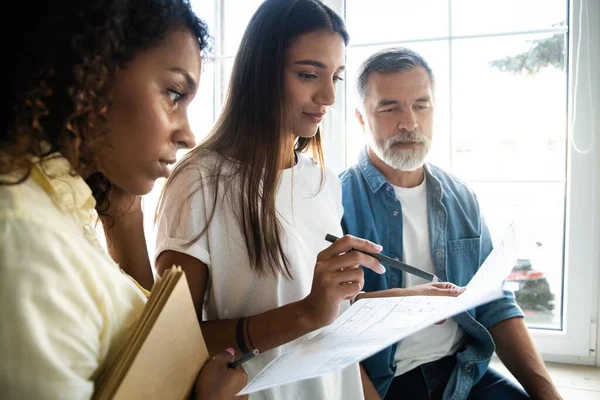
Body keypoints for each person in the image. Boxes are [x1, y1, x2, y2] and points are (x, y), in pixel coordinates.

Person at [0, 1, 247, 399]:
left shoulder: (63, 211)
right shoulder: (26, 234)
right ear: (90, 70)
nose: (188, 135)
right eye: (173, 93)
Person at [154, 0, 386, 399]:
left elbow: (328, 326)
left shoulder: (324, 181)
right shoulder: (200, 181)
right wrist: (305, 314)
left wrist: (391, 305)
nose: (329, 96)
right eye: (309, 74)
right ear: (261, 72)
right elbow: (172, 344)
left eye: (337, 77)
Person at [339, 47, 563, 400]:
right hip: (383, 383)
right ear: (360, 118)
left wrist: (549, 395)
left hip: (462, 372)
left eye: (421, 105)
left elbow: (494, 302)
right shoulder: (334, 203)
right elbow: (328, 330)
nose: (409, 122)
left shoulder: (461, 196)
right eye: (390, 107)